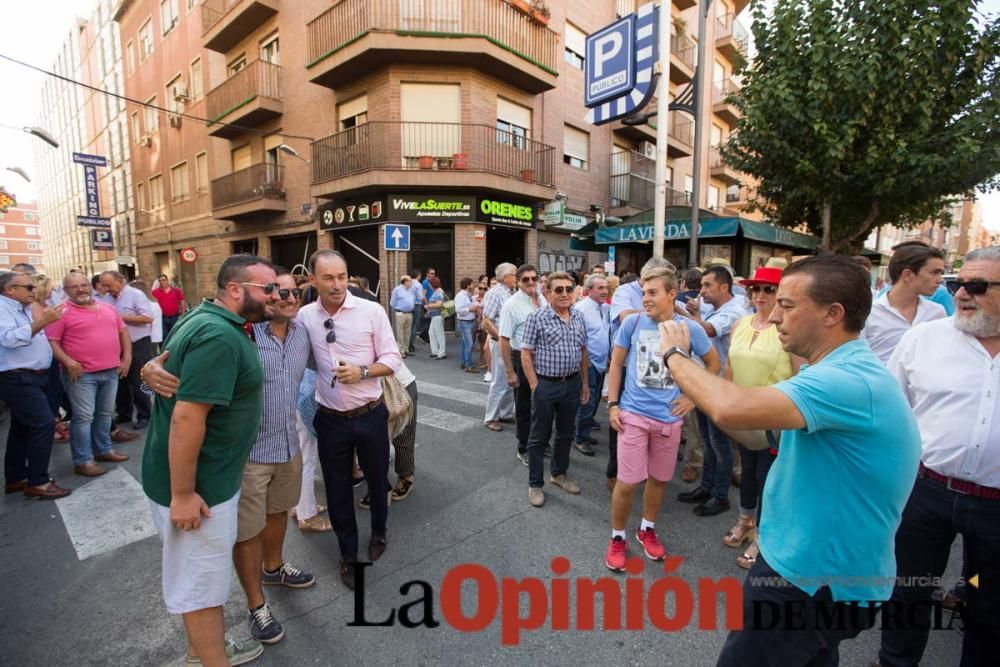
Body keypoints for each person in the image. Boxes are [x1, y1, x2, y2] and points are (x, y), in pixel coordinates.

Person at [657, 255, 920, 666]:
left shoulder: (846, 379)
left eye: (788, 305)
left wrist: (675, 355)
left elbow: (730, 408)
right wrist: (707, 398)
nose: (775, 315)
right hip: (810, 569)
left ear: (833, 314)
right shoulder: (834, 368)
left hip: (810, 579)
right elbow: (756, 434)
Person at [146, 268, 317, 648]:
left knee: (277, 515)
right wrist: (149, 374)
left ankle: (274, 568)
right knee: (247, 532)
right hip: (248, 455)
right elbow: (178, 371)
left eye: (291, 293)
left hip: (287, 444)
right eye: (276, 291)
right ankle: (257, 605)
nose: (284, 299)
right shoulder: (242, 330)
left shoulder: (305, 334)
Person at [877, 247, 1000, 667]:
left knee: (989, 605)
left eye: (977, 286)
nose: (962, 293)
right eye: (955, 283)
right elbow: (891, 412)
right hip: (926, 491)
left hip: (996, 507)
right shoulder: (923, 340)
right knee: (908, 590)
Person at [297, 249, 401, 590]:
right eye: (328, 278)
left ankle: (381, 531)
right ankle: (347, 554)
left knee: (376, 478)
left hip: (371, 414)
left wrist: (363, 371)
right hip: (330, 420)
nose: (338, 284)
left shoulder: (371, 311)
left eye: (342, 276)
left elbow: (393, 358)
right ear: (313, 280)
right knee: (338, 489)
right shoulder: (305, 317)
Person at [605, 266, 717, 570]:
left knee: (659, 480)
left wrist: (692, 397)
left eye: (652, 293)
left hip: (668, 420)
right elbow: (615, 365)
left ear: (672, 293)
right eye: (643, 293)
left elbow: (714, 363)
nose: (646, 299)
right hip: (634, 416)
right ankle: (617, 537)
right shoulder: (632, 323)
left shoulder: (689, 329)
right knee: (628, 482)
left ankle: (647, 530)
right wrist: (614, 405)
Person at [722, 266, 800, 570]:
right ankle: (744, 520)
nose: (760, 295)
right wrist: (726, 403)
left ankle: (763, 537)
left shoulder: (788, 326)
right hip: (743, 414)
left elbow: (799, 374)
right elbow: (729, 366)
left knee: (769, 478)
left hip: (774, 419)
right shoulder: (741, 323)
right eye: (755, 289)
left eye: (769, 289)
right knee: (747, 471)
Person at [678, 266, 750, 516]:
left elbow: (705, 330)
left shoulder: (734, 311)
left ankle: (720, 496)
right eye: (702, 285)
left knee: (719, 445)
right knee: (707, 441)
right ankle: (706, 487)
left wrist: (674, 311)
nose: (702, 290)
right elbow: (701, 322)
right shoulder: (713, 307)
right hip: (703, 382)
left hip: (718, 386)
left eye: (708, 285)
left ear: (724, 287)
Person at [45, 273, 132, 477]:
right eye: (74, 287)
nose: (81, 289)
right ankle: (82, 461)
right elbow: (52, 342)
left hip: (111, 370)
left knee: (104, 414)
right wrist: (68, 362)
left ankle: (103, 450)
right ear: (65, 291)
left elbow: (123, 333)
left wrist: (127, 358)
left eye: (84, 285)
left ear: (91, 286)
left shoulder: (107, 307)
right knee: (84, 417)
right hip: (81, 375)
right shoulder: (61, 312)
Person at [520, 271, 589, 508]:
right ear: (547, 292)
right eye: (558, 289)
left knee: (566, 433)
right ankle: (535, 484)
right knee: (539, 436)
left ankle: (559, 474)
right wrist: (534, 386)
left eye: (568, 289)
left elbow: (583, 352)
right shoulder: (536, 318)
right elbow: (526, 353)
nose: (564, 294)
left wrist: (585, 384)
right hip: (545, 385)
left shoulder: (579, 317)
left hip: (571, 384)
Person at [607, 257, 675, 490]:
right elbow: (626, 316)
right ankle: (616, 474)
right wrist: (656, 307)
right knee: (622, 424)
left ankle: (642, 470)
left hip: (659, 373)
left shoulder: (672, 308)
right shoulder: (625, 291)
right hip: (630, 365)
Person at [0, 271, 69, 499]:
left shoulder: (22, 308)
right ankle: (38, 481)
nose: (33, 290)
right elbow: (9, 339)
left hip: (32, 375)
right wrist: (42, 322)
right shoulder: (3, 309)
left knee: (21, 427)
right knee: (43, 424)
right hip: (17, 376)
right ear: (10, 289)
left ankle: (16, 476)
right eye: (28, 287)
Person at [862, 243, 947, 364]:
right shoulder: (868, 313)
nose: (940, 279)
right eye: (934, 272)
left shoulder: (937, 313)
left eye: (941, 273)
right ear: (907, 275)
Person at [499, 264, 542, 465]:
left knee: (543, 405)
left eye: (534, 278)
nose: (531, 282)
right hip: (521, 359)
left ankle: (540, 442)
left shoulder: (542, 298)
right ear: (518, 282)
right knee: (524, 407)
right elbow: (504, 340)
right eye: (526, 279)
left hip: (543, 361)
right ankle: (523, 447)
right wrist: (510, 372)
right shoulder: (511, 305)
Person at [100, 271, 154, 430]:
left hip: (138, 342)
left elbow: (147, 318)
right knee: (120, 381)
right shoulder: (108, 298)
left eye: (108, 285)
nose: (106, 288)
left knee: (138, 380)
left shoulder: (135, 295)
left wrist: (120, 318)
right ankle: (124, 413)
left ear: (119, 281)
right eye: (104, 285)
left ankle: (145, 414)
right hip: (117, 345)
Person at [573, 273, 610, 456]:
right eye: (600, 288)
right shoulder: (580, 309)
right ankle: (580, 438)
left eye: (605, 287)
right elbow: (578, 341)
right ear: (588, 290)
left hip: (601, 363)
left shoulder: (605, 308)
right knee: (587, 402)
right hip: (588, 363)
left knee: (594, 402)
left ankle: (583, 432)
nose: (605, 291)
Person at [482, 263, 517, 431]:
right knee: (500, 381)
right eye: (514, 274)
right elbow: (486, 321)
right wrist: (501, 339)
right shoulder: (494, 293)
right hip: (500, 343)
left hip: (511, 343)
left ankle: (506, 412)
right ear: (505, 277)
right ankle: (491, 417)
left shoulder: (512, 293)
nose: (516, 277)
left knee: (511, 380)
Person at [455, 277, 480, 372]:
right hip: (464, 322)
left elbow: (471, 304)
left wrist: (476, 305)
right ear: (468, 285)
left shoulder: (468, 295)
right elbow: (458, 310)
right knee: (469, 344)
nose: (473, 286)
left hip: (469, 321)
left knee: (465, 344)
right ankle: (468, 365)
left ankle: (464, 362)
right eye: (472, 284)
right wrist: (470, 309)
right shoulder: (460, 296)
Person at [131, 280, 164, 352]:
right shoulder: (153, 303)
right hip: (154, 337)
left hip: (150, 338)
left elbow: (149, 321)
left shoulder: (148, 304)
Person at [152, 274, 187, 340]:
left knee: (174, 336)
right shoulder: (155, 292)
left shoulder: (176, 291)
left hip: (174, 318)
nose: (162, 282)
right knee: (164, 337)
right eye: (160, 281)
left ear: (167, 281)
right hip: (162, 319)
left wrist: (183, 313)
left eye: (163, 280)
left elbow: (182, 301)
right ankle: (164, 349)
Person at [389, 275, 416, 357]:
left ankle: (406, 349)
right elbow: (392, 303)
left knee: (408, 332)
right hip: (400, 313)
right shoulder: (397, 290)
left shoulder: (411, 290)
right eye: (410, 281)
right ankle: (400, 351)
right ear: (405, 282)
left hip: (409, 313)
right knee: (400, 332)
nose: (411, 283)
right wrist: (398, 310)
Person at [425, 276, 447, 359]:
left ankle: (442, 353)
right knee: (432, 333)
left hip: (438, 315)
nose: (429, 285)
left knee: (439, 334)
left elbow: (439, 304)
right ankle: (435, 351)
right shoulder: (437, 291)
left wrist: (428, 306)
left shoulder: (439, 292)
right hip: (435, 315)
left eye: (429, 284)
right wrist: (429, 312)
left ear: (432, 284)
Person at [408, 269, 424, 353]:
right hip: (416, 305)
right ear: (418, 275)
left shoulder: (408, 283)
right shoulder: (418, 285)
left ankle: (406, 344)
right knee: (414, 325)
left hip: (408, 305)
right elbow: (420, 297)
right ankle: (411, 345)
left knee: (408, 325)